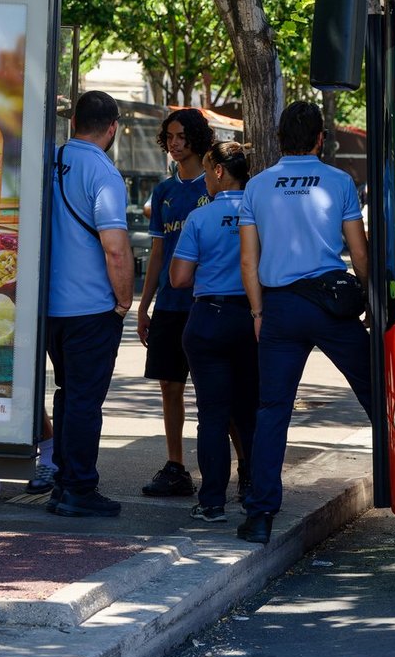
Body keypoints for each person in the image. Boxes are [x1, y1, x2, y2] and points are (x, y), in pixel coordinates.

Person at [237, 101, 375, 545]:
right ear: (320, 138)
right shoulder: (339, 182)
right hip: (331, 307)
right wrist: (373, 304)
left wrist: (258, 313)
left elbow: (248, 259)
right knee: (377, 392)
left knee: (272, 411)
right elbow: (359, 253)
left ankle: (259, 516)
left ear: (279, 138)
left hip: (279, 309)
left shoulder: (257, 187)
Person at [45, 90, 134, 518]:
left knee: (66, 395)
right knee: (83, 399)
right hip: (89, 309)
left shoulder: (51, 159)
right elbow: (115, 248)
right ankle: (79, 487)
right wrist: (123, 301)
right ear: (112, 127)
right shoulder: (103, 173)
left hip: (48, 308)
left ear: (73, 120)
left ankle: (63, 482)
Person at [169, 142, 258, 523]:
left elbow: (179, 277)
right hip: (251, 320)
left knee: (213, 415)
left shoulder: (199, 217)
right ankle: (255, 489)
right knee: (251, 412)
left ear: (219, 172)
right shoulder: (260, 214)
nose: (205, 179)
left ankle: (212, 502)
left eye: (207, 172)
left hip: (209, 318)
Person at [136, 108, 214, 499]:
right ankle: (176, 466)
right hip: (169, 304)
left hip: (208, 304)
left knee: (215, 389)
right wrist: (143, 304)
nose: (175, 142)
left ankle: (239, 468)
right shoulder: (163, 191)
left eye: (181, 135)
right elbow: (157, 252)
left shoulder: (213, 187)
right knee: (170, 384)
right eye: (169, 136)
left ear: (197, 138)